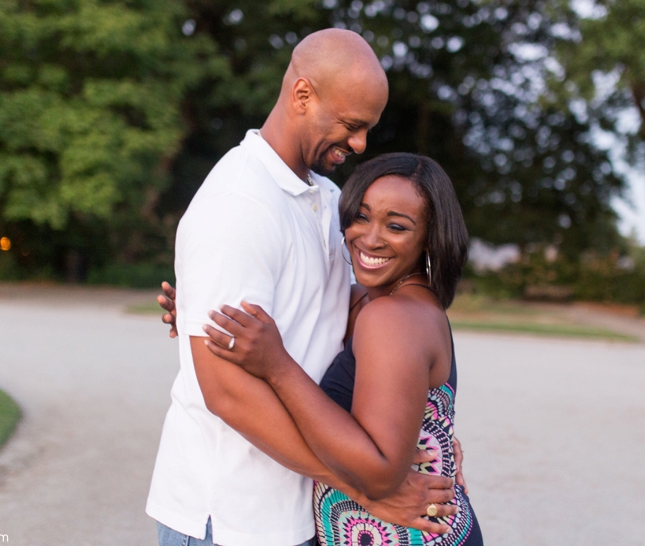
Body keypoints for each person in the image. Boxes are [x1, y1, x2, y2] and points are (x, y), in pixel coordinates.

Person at [146, 29, 458, 546]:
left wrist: (426, 431)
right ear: (302, 95)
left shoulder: (329, 199)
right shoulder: (238, 203)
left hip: (298, 512)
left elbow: (347, 314)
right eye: (352, 125)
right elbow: (226, 391)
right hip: (232, 518)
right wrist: (369, 488)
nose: (360, 144)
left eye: (368, 129)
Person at [199, 153, 483, 545]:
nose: (370, 238)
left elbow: (379, 474)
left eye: (396, 226)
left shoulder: (392, 317)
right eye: (361, 217)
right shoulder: (373, 302)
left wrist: (278, 367)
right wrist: (201, 309)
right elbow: (297, 313)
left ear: (430, 238)